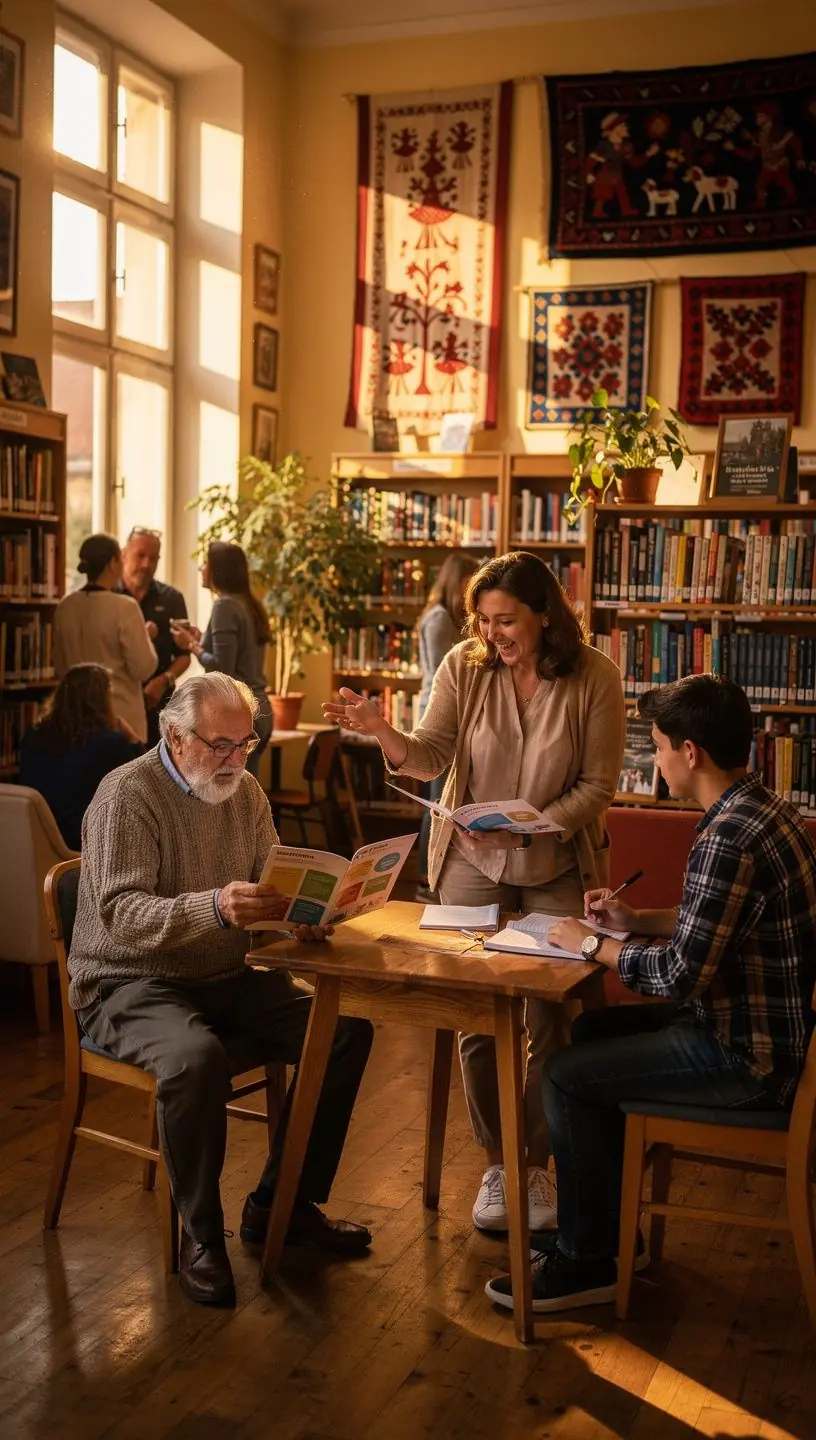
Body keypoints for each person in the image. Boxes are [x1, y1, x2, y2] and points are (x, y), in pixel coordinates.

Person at [485, 674, 816, 1316]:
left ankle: (586, 1263)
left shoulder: (726, 837)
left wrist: (589, 944)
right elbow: (715, 921)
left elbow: (677, 977)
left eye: (660, 745)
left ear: (690, 753)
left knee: (563, 1073)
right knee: (588, 1037)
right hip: (771, 1033)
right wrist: (635, 921)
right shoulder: (766, 810)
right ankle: (606, 1237)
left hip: (750, 1060)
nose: (655, 759)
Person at [323, 551, 625, 1235]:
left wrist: (531, 830)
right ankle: (497, 1164)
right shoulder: (463, 664)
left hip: (555, 860)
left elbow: (598, 786)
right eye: (485, 621)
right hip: (466, 859)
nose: (495, 635)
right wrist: (381, 733)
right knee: (474, 1010)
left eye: (509, 620)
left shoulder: (595, 676)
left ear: (546, 614)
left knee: (551, 1015)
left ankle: (536, 1162)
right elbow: (430, 754)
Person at [68, 673, 374, 1308]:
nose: (237, 759)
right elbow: (120, 915)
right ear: (176, 738)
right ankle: (202, 1236)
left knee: (344, 1032)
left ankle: (281, 1203)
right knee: (195, 1060)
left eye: (246, 743)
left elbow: (262, 885)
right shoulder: (126, 797)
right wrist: (213, 907)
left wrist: (298, 913)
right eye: (222, 746)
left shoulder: (244, 790)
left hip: (226, 975)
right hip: (129, 981)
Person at [170, 542, 272, 777]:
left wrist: (192, 646)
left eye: (206, 563)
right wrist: (201, 639)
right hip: (260, 707)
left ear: (218, 570)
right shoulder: (249, 605)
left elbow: (220, 667)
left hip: (240, 713)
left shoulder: (224, 606)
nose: (200, 568)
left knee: (230, 797)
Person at [19, 663, 142, 851]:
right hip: (86, 843)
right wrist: (133, 740)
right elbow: (144, 785)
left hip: (36, 839)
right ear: (101, 701)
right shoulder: (110, 743)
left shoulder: (32, 737)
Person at [416, 553, 479, 897]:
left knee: (444, 795)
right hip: (439, 708)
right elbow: (447, 671)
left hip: (451, 706)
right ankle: (428, 875)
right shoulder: (439, 619)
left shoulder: (444, 616)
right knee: (439, 798)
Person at [54, 534, 158, 743]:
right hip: (119, 719)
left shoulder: (65, 606)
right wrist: (144, 637)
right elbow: (144, 667)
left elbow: (59, 665)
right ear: (112, 563)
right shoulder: (125, 607)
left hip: (74, 718)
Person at [117, 526, 190, 746]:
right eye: (140, 555)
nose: (147, 565)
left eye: (154, 558)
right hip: (116, 707)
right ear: (123, 554)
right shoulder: (109, 597)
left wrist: (163, 680)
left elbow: (184, 656)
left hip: (159, 707)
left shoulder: (172, 598)